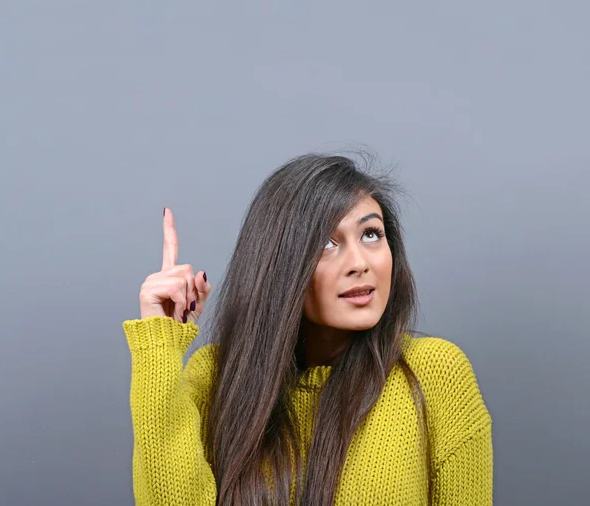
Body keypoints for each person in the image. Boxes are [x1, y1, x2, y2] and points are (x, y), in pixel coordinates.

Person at [122, 152, 493, 506]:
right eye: (326, 243)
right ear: (280, 264)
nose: (359, 263)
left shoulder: (435, 373)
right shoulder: (214, 377)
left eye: (370, 235)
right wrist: (160, 346)